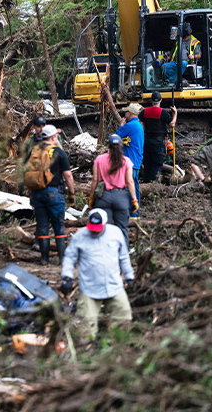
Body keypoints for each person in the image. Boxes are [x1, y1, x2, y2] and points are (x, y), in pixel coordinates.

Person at [59, 208, 134, 340]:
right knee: (86, 330)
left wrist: (130, 277)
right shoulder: (80, 237)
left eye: (98, 228)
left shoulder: (115, 233)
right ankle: (88, 348)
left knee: (124, 320)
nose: (95, 231)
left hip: (114, 286)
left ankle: (119, 347)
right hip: (89, 290)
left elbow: (123, 257)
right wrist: (67, 277)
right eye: (92, 228)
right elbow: (69, 258)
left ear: (106, 223)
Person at [22, 125, 73, 264]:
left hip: (37, 193)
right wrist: (71, 193)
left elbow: (26, 171)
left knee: (42, 225)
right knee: (58, 226)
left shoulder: (34, 151)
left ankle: (44, 259)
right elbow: (68, 175)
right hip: (54, 193)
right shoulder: (58, 152)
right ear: (53, 137)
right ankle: (62, 259)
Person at [86, 134, 138, 247]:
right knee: (122, 229)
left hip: (103, 197)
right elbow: (130, 182)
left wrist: (91, 197)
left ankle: (106, 252)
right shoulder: (126, 161)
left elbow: (94, 180)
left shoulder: (99, 159)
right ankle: (123, 253)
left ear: (108, 146)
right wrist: (134, 199)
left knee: (105, 229)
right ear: (121, 146)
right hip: (121, 198)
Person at [138, 92, 176, 183]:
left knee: (147, 164)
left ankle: (146, 183)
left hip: (147, 141)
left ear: (151, 100)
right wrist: (175, 113)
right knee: (157, 165)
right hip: (158, 143)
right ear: (161, 100)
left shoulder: (145, 111)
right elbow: (172, 124)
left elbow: (138, 120)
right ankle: (154, 185)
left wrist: (143, 128)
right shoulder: (162, 113)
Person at [116, 103, 145, 216]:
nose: (125, 114)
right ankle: (136, 212)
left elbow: (117, 138)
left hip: (130, 162)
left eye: (126, 112)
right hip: (136, 160)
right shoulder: (139, 125)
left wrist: (121, 126)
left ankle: (130, 214)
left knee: (128, 188)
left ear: (131, 113)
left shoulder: (129, 126)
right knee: (135, 187)